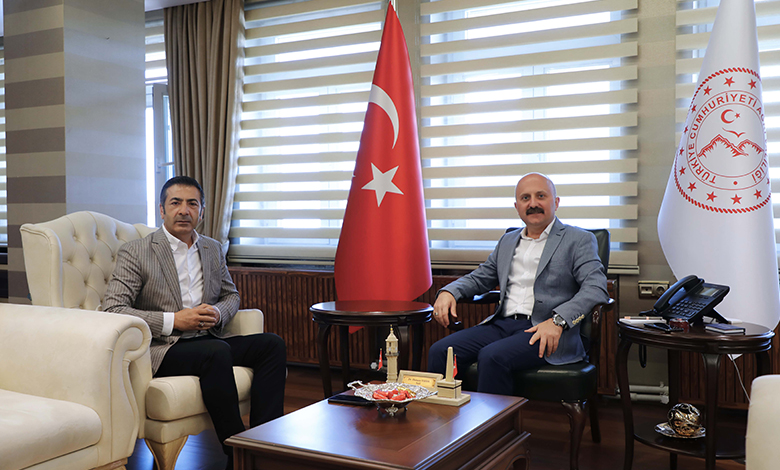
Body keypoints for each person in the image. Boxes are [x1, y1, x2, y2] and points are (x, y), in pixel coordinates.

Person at [103, 176, 286, 470]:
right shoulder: (137, 251)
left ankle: (264, 447)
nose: (184, 210)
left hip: (209, 339)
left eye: (192, 204)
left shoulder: (212, 248)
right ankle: (237, 452)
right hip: (165, 347)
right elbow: (113, 309)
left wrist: (219, 313)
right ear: (162, 209)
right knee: (216, 352)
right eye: (175, 203)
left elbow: (231, 295)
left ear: (202, 211)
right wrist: (174, 320)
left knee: (271, 345)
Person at [428, 172, 609, 395]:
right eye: (525, 198)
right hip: (501, 325)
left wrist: (558, 321)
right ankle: (448, 416)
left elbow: (596, 288)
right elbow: (480, 277)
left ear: (556, 202)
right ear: (517, 206)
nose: (533, 204)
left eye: (540, 196)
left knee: (492, 356)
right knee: (441, 351)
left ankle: (497, 420)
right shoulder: (508, 240)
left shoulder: (578, 239)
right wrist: (449, 291)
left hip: (546, 328)